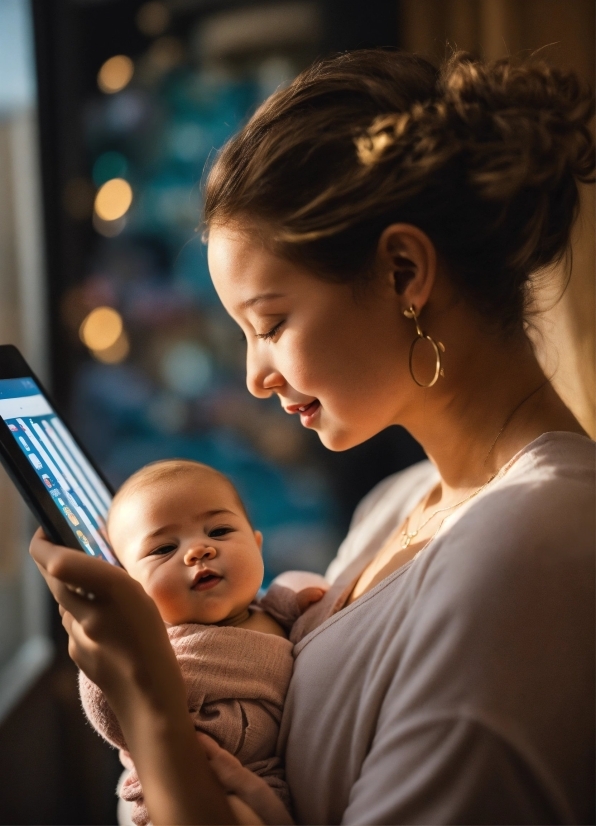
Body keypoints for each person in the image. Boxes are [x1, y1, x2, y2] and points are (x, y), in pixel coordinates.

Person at [31, 48, 594, 825]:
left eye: (271, 324)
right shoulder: (395, 504)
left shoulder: (535, 545)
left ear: (403, 272)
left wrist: (150, 709)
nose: (256, 376)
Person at [77, 458, 327, 825]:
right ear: (130, 585)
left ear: (257, 545)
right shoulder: (160, 647)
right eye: (163, 549)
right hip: (178, 787)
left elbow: (284, 592)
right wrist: (104, 666)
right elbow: (120, 715)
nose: (198, 550)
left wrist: (295, 595)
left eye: (219, 531)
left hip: (265, 774)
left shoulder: (269, 607)